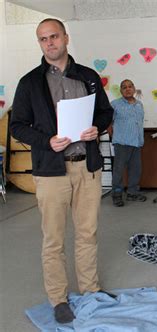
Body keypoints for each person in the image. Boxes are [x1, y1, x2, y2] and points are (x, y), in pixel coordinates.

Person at [10, 18, 114, 324]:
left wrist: (98, 127)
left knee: (87, 233)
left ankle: (91, 290)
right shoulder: (29, 83)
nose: (49, 43)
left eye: (54, 36)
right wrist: (46, 141)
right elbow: (17, 126)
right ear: (40, 43)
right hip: (51, 172)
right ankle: (58, 299)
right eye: (43, 39)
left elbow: (106, 111)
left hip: (87, 168)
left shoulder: (89, 77)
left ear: (66, 38)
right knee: (53, 239)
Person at [110, 79, 146, 207]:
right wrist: (114, 137)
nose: (127, 89)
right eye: (124, 87)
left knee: (135, 170)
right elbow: (109, 123)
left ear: (134, 88)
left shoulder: (139, 105)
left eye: (130, 86)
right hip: (122, 143)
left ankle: (132, 193)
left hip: (137, 142)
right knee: (119, 170)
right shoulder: (115, 105)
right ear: (121, 91)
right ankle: (117, 195)